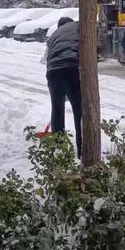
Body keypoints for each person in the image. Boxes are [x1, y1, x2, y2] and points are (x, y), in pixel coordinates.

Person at [45, 17, 82, 158]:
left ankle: (58, 148)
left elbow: (46, 59)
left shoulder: (53, 36)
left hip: (52, 73)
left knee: (57, 109)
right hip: (72, 68)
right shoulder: (79, 26)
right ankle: (83, 151)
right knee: (80, 112)